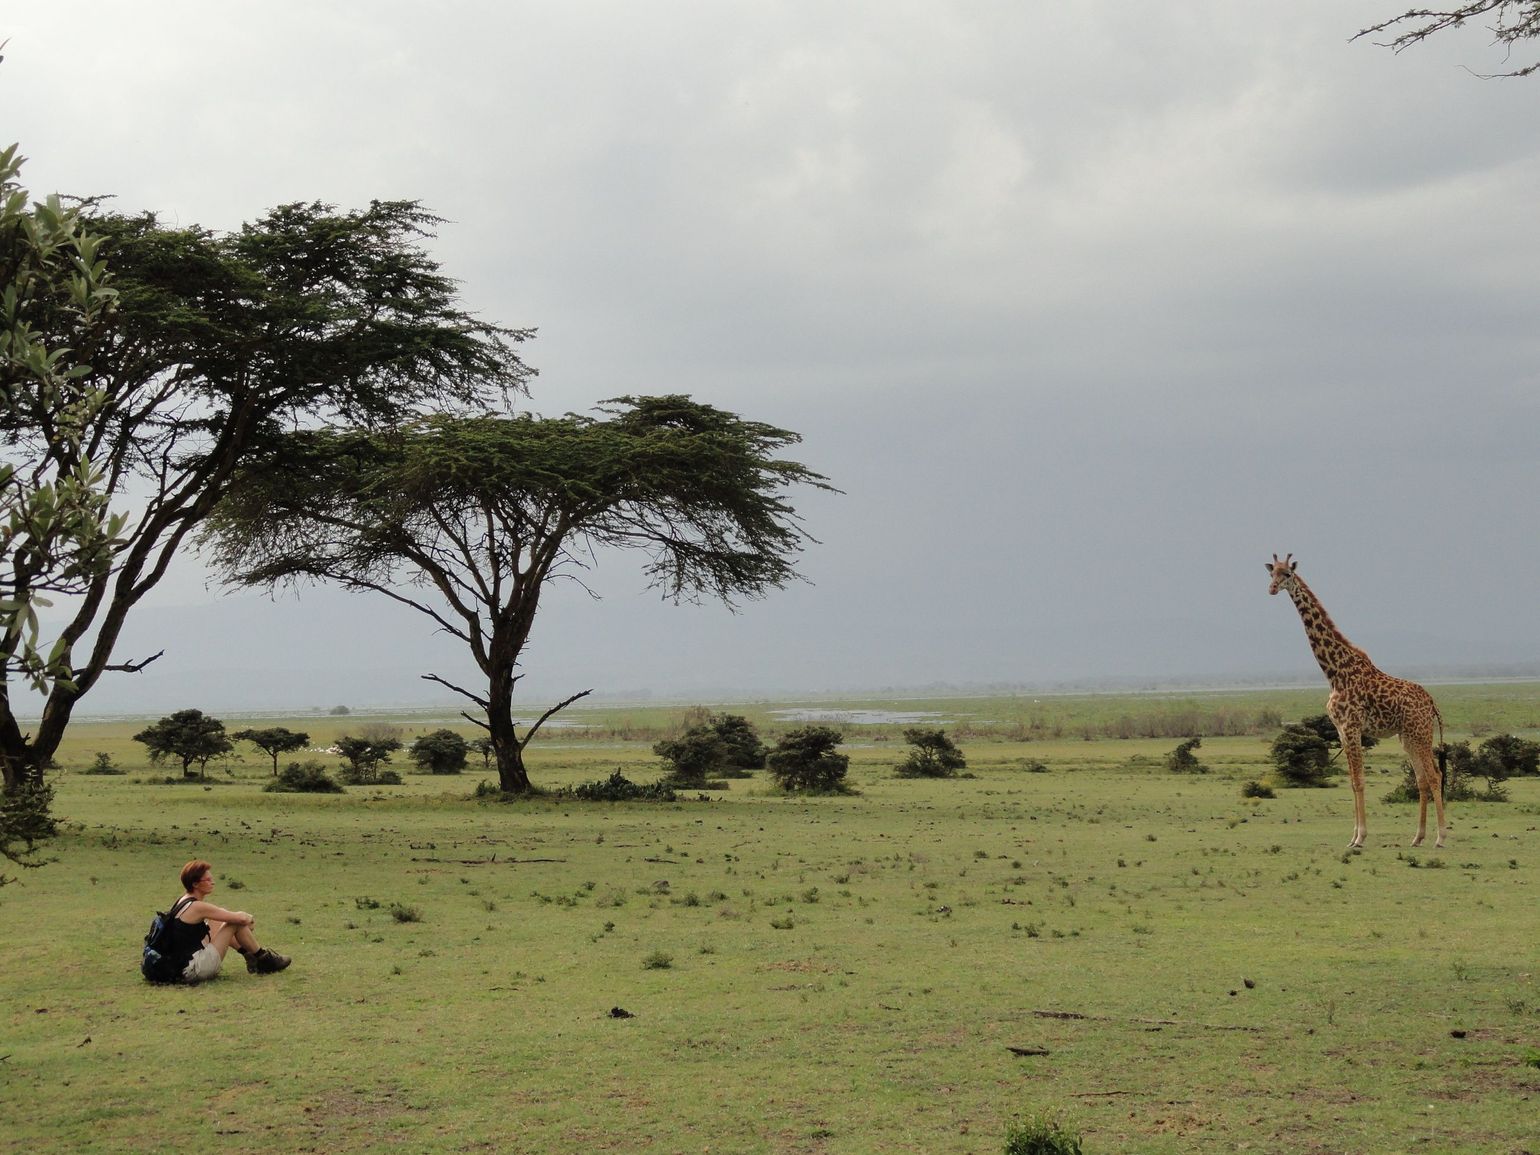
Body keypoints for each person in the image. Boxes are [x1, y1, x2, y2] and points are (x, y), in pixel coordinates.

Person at [164, 860, 291, 982]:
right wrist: (248, 919)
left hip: (180, 966)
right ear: (195, 884)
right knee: (234, 923)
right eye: (208, 880)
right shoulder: (197, 907)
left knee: (219, 921)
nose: (213, 882)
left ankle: (250, 956)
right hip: (193, 969)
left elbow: (221, 914)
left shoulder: (182, 901)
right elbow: (241, 919)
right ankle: (264, 959)